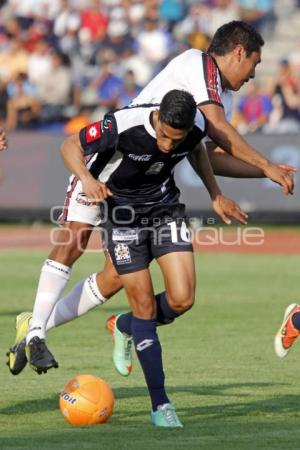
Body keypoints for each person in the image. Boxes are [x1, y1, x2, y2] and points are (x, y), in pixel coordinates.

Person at [6, 21, 295, 376]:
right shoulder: (197, 64)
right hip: (108, 167)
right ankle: (36, 329)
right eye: (255, 62)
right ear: (239, 52)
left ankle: (35, 328)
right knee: (74, 238)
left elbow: (208, 152)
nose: (254, 73)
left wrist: (260, 172)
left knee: (113, 279)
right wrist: (264, 163)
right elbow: (218, 127)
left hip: (141, 192)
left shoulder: (223, 98)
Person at [59, 89, 248, 426]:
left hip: (164, 211)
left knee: (183, 299)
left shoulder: (195, 126)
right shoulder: (122, 124)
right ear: (158, 117)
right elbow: (69, 146)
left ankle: (124, 325)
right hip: (121, 216)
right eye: (163, 136)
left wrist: (215, 194)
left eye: (175, 140)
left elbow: (197, 150)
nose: (166, 146)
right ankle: (160, 405)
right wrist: (87, 180)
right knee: (144, 306)